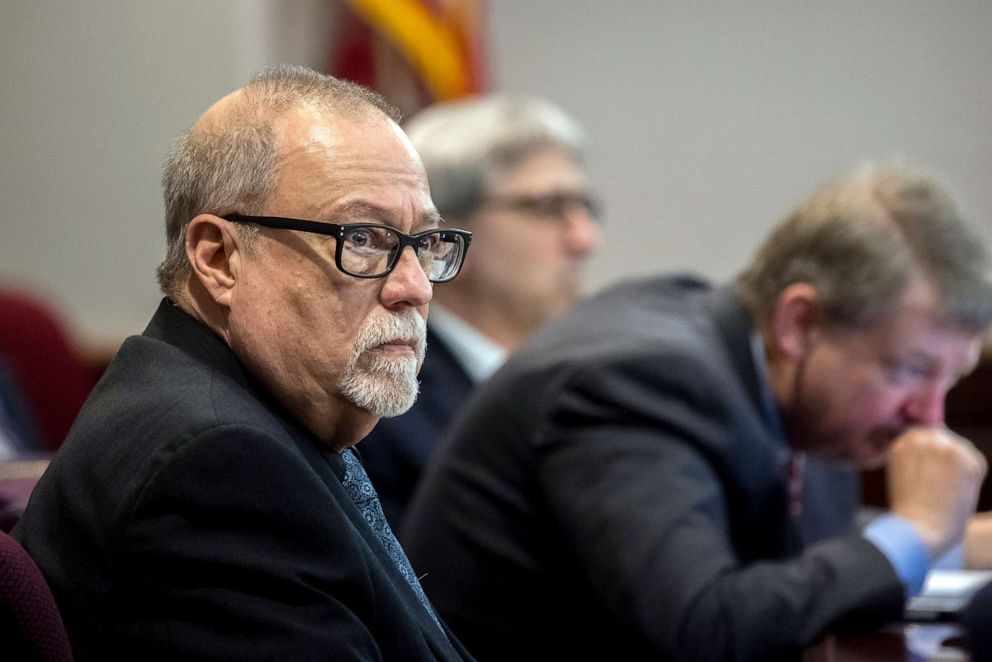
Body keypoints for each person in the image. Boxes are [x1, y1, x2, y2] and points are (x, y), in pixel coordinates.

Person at [402, 163, 992, 661]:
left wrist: (953, 541)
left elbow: (786, 547)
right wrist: (919, 530)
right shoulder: (636, 382)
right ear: (801, 325)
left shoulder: (762, 370)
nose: (929, 415)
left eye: (951, 378)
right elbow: (702, 628)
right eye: (911, 370)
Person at [14, 66, 474, 661]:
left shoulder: (251, 412)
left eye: (425, 243)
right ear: (219, 258)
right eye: (364, 238)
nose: (415, 288)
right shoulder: (216, 467)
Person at [359, 96, 601, 528]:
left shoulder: (593, 386)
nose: (584, 239)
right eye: (548, 208)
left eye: (586, 208)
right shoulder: (382, 403)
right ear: (445, 237)